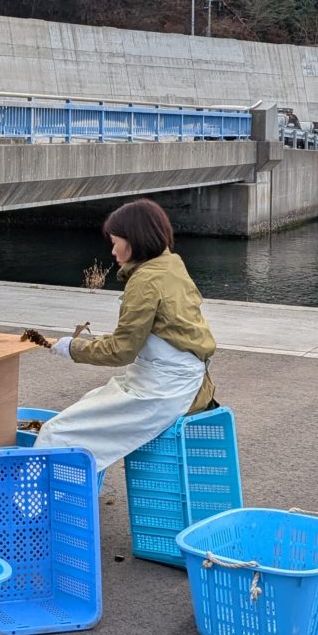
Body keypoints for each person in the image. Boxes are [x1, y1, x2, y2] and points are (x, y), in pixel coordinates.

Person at [34, 199, 217, 474]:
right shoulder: (170, 265)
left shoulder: (145, 281)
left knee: (57, 432)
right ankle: (69, 496)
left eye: (115, 241)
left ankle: (32, 512)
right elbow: (137, 338)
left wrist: (72, 348)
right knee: (88, 403)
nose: (113, 250)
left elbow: (122, 350)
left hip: (163, 389)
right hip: (181, 380)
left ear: (134, 241)